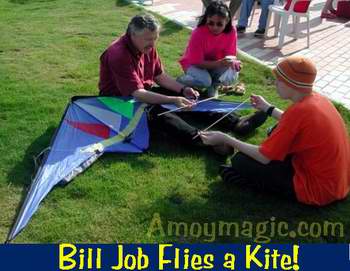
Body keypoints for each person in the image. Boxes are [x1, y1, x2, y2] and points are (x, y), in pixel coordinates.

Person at [98, 14, 267, 153]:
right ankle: (203, 140)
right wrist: (172, 100)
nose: (152, 43)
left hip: (141, 91)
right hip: (118, 102)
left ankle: (235, 122)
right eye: (148, 39)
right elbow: (137, 94)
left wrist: (184, 89)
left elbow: (160, 76)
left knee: (189, 95)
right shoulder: (119, 54)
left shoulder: (146, 46)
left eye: (155, 38)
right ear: (132, 34)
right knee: (157, 113)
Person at [200, 55, 350, 206]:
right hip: (338, 182)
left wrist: (225, 138)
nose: (275, 83)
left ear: (291, 84)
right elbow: (294, 123)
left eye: (279, 80)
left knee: (240, 161)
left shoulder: (299, 111)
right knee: (274, 133)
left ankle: (251, 182)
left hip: (317, 189)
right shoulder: (318, 99)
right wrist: (267, 108)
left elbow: (264, 157)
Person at [178, 1, 242, 97]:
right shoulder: (198, 33)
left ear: (227, 21)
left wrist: (234, 64)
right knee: (204, 81)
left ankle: (213, 86)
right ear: (206, 19)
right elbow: (197, 62)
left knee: (231, 71)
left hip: (215, 63)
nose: (214, 27)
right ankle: (181, 81)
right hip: (193, 64)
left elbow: (230, 56)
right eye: (211, 23)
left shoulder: (231, 31)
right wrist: (220, 63)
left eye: (219, 24)